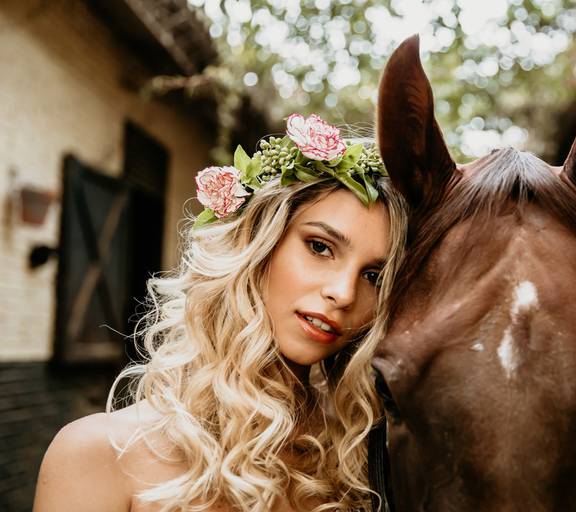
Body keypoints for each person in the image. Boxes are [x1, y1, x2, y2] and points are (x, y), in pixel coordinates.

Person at [32, 114, 408, 512]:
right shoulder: (99, 455)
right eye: (319, 247)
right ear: (256, 243)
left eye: (374, 275)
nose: (343, 293)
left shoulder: (363, 466)